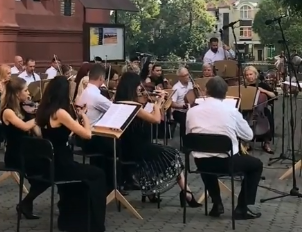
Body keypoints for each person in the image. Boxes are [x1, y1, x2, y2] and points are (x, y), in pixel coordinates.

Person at [114, 72, 201, 207]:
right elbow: (156, 119)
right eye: (139, 86)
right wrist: (158, 102)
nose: (141, 88)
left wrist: (155, 104)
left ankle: (157, 191)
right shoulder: (132, 105)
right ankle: (186, 193)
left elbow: (153, 117)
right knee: (174, 155)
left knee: (166, 154)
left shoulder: (119, 102)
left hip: (128, 146)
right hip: (138, 148)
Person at [35, 76, 107, 232]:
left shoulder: (43, 111)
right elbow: (87, 135)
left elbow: (59, 135)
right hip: (63, 165)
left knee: (86, 175)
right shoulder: (60, 112)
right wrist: (84, 116)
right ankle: (95, 223)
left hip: (51, 162)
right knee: (98, 174)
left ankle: (73, 218)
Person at [186, 76, 263, 220]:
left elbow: (188, 136)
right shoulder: (231, 111)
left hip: (201, 163)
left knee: (205, 156)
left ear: (206, 91)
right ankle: (241, 207)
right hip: (227, 163)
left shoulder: (192, 111)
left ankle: (217, 203)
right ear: (225, 94)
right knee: (256, 165)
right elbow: (248, 135)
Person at [0, 77, 48, 219]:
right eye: (25, 90)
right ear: (16, 93)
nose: (29, 93)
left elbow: (37, 133)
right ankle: (25, 204)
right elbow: (25, 126)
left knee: (47, 173)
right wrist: (40, 115)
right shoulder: (8, 111)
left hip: (28, 152)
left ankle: (26, 204)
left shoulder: (24, 108)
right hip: (15, 154)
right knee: (46, 174)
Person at [243, 66, 276, 154]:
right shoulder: (244, 87)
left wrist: (264, 91)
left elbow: (273, 95)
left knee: (268, 117)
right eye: (247, 75)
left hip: (261, 110)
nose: (249, 77)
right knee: (242, 118)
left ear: (255, 74)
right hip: (248, 109)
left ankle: (266, 143)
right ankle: (247, 143)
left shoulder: (262, 85)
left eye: (251, 74)